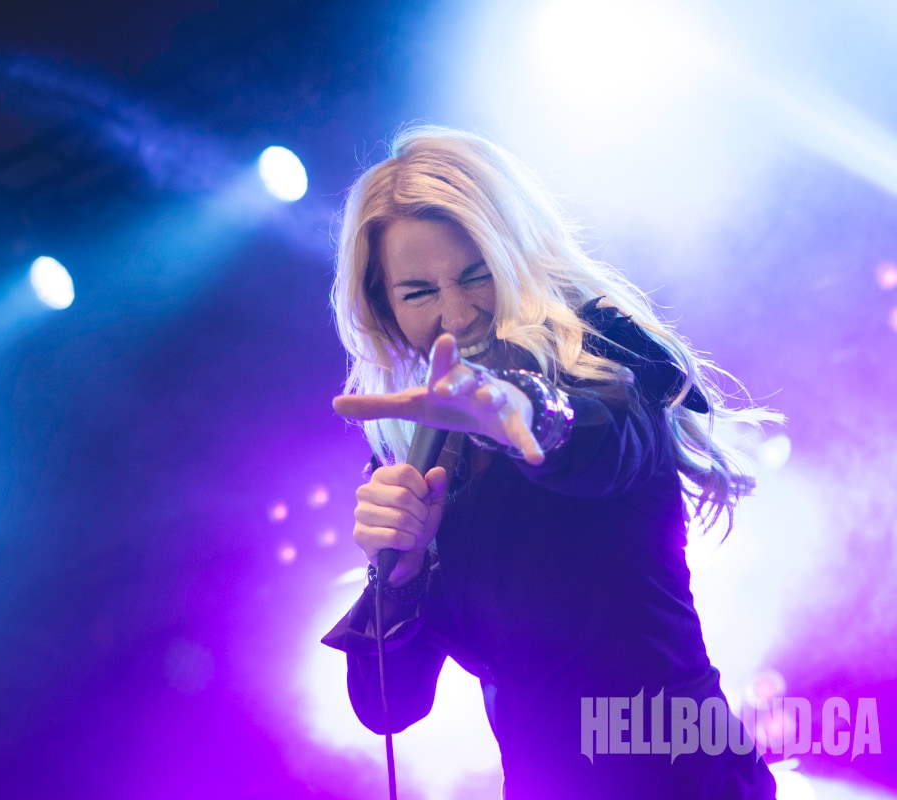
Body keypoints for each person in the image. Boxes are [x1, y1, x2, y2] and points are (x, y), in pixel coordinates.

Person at [321, 126, 779, 799]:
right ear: (383, 305)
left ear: (516, 257)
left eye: (476, 274)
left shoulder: (612, 357)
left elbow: (608, 443)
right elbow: (388, 707)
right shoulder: (413, 451)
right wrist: (403, 572)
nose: (456, 314)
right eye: (418, 292)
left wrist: (527, 411)